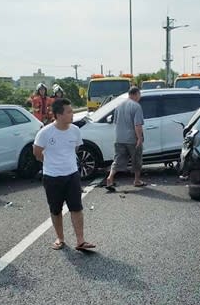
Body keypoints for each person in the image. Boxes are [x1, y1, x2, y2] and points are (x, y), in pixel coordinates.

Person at [33, 98, 95, 251]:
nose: (72, 114)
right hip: (52, 177)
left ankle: (80, 241)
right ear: (58, 115)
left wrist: (67, 164)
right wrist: (51, 164)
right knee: (56, 209)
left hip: (72, 175)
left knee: (76, 208)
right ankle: (60, 238)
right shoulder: (45, 133)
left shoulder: (75, 130)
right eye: (69, 112)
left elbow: (75, 150)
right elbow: (37, 153)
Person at [104, 86, 145, 189]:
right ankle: (136, 180)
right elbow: (137, 125)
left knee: (118, 159)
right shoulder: (136, 106)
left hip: (119, 138)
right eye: (139, 95)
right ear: (136, 94)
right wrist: (139, 138)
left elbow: (115, 122)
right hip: (132, 139)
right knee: (136, 159)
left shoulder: (119, 106)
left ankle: (110, 178)